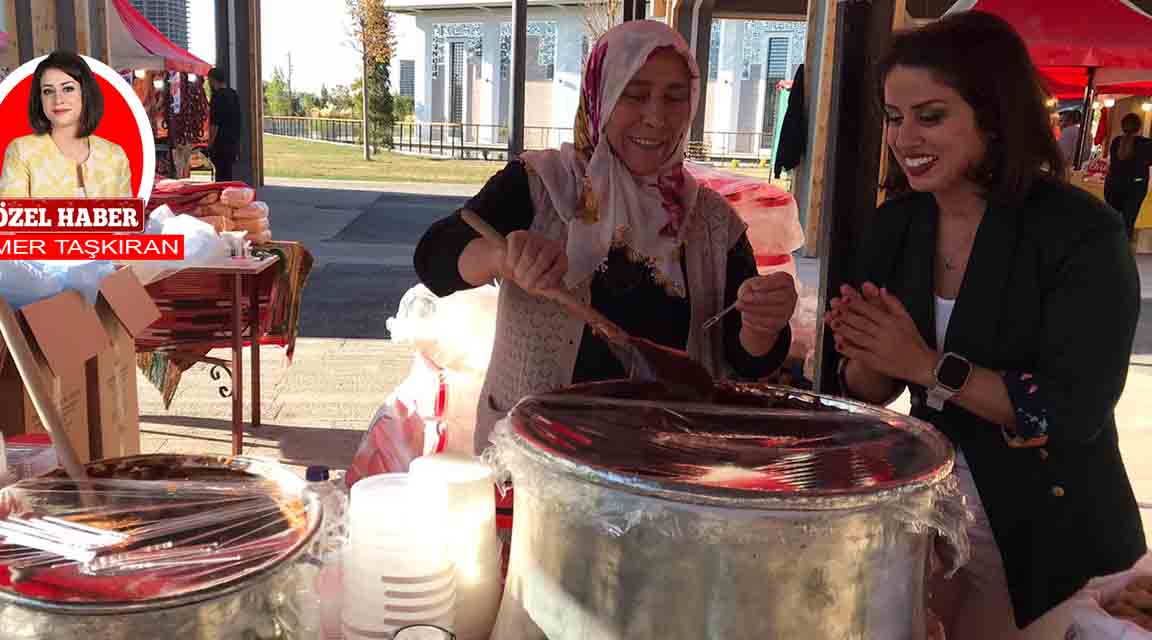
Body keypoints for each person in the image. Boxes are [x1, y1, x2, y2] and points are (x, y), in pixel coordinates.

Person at [825, 11, 1145, 639]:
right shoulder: (900, 226)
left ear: (995, 119)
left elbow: (1072, 410)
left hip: (1052, 537)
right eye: (894, 117)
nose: (904, 136)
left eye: (931, 115)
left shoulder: (1079, 233)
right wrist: (865, 351)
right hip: (929, 514)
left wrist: (924, 364)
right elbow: (867, 389)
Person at [414, 21, 798, 448]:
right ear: (600, 93)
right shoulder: (539, 185)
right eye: (633, 94)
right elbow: (434, 258)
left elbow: (745, 360)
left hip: (666, 466)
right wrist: (499, 258)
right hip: (538, 459)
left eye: (674, 97)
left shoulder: (712, 222)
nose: (656, 117)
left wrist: (763, 324)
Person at [0, 51, 131, 198]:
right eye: (48, 91)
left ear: (85, 93)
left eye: (68, 89)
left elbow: (127, 217)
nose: (58, 100)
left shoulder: (115, 155)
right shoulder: (22, 151)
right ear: (40, 99)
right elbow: (10, 217)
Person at [1105, 113, 1152, 240]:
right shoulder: (1146, 144)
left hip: (1113, 184)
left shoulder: (1116, 142)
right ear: (1140, 127)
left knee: (1112, 220)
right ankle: (1123, 252)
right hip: (1135, 186)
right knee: (1128, 222)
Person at [207, 68, 242, 182]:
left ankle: (222, 195)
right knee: (228, 173)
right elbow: (238, 120)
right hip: (232, 142)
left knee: (220, 175)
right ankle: (228, 194)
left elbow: (214, 124)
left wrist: (210, 144)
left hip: (220, 143)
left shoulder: (217, 97)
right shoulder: (233, 94)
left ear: (213, 80)